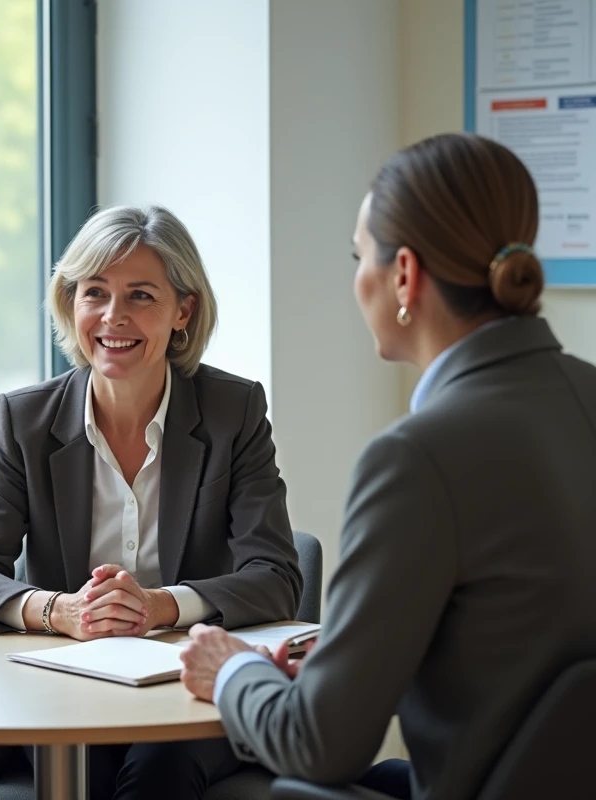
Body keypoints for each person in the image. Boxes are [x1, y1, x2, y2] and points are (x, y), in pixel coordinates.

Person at [181, 133, 596, 800]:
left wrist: (230, 671)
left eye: (357, 256)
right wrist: (365, 658)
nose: (355, 278)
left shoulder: (416, 458)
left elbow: (320, 746)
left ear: (404, 275)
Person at [0, 205, 302, 800]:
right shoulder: (26, 420)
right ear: (71, 302)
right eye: (95, 293)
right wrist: (61, 611)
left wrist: (160, 607)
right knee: (85, 771)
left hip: (188, 690)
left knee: (158, 773)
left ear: (182, 309)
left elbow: (277, 578)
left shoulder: (232, 413)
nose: (114, 317)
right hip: (65, 689)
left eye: (140, 296)